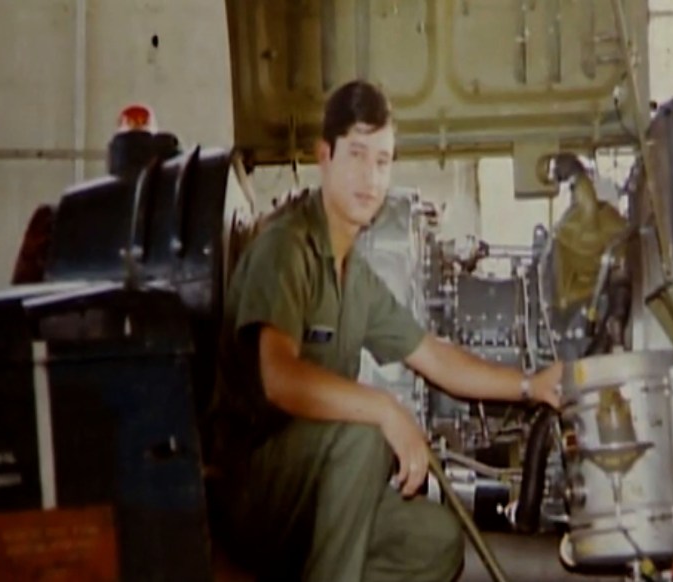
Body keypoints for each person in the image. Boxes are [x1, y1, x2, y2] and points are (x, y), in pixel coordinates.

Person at [206, 79, 563, 582]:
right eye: (356, 154)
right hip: (253, 493)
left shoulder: (357, 277)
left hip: (315, 498)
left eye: (382, 160)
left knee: (434, 544)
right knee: (362, 437)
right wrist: (384, 409)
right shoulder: (286, 248)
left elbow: (432, 356)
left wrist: (531, 385)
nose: (370, 177)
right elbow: (280, 379)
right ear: (324, 156)